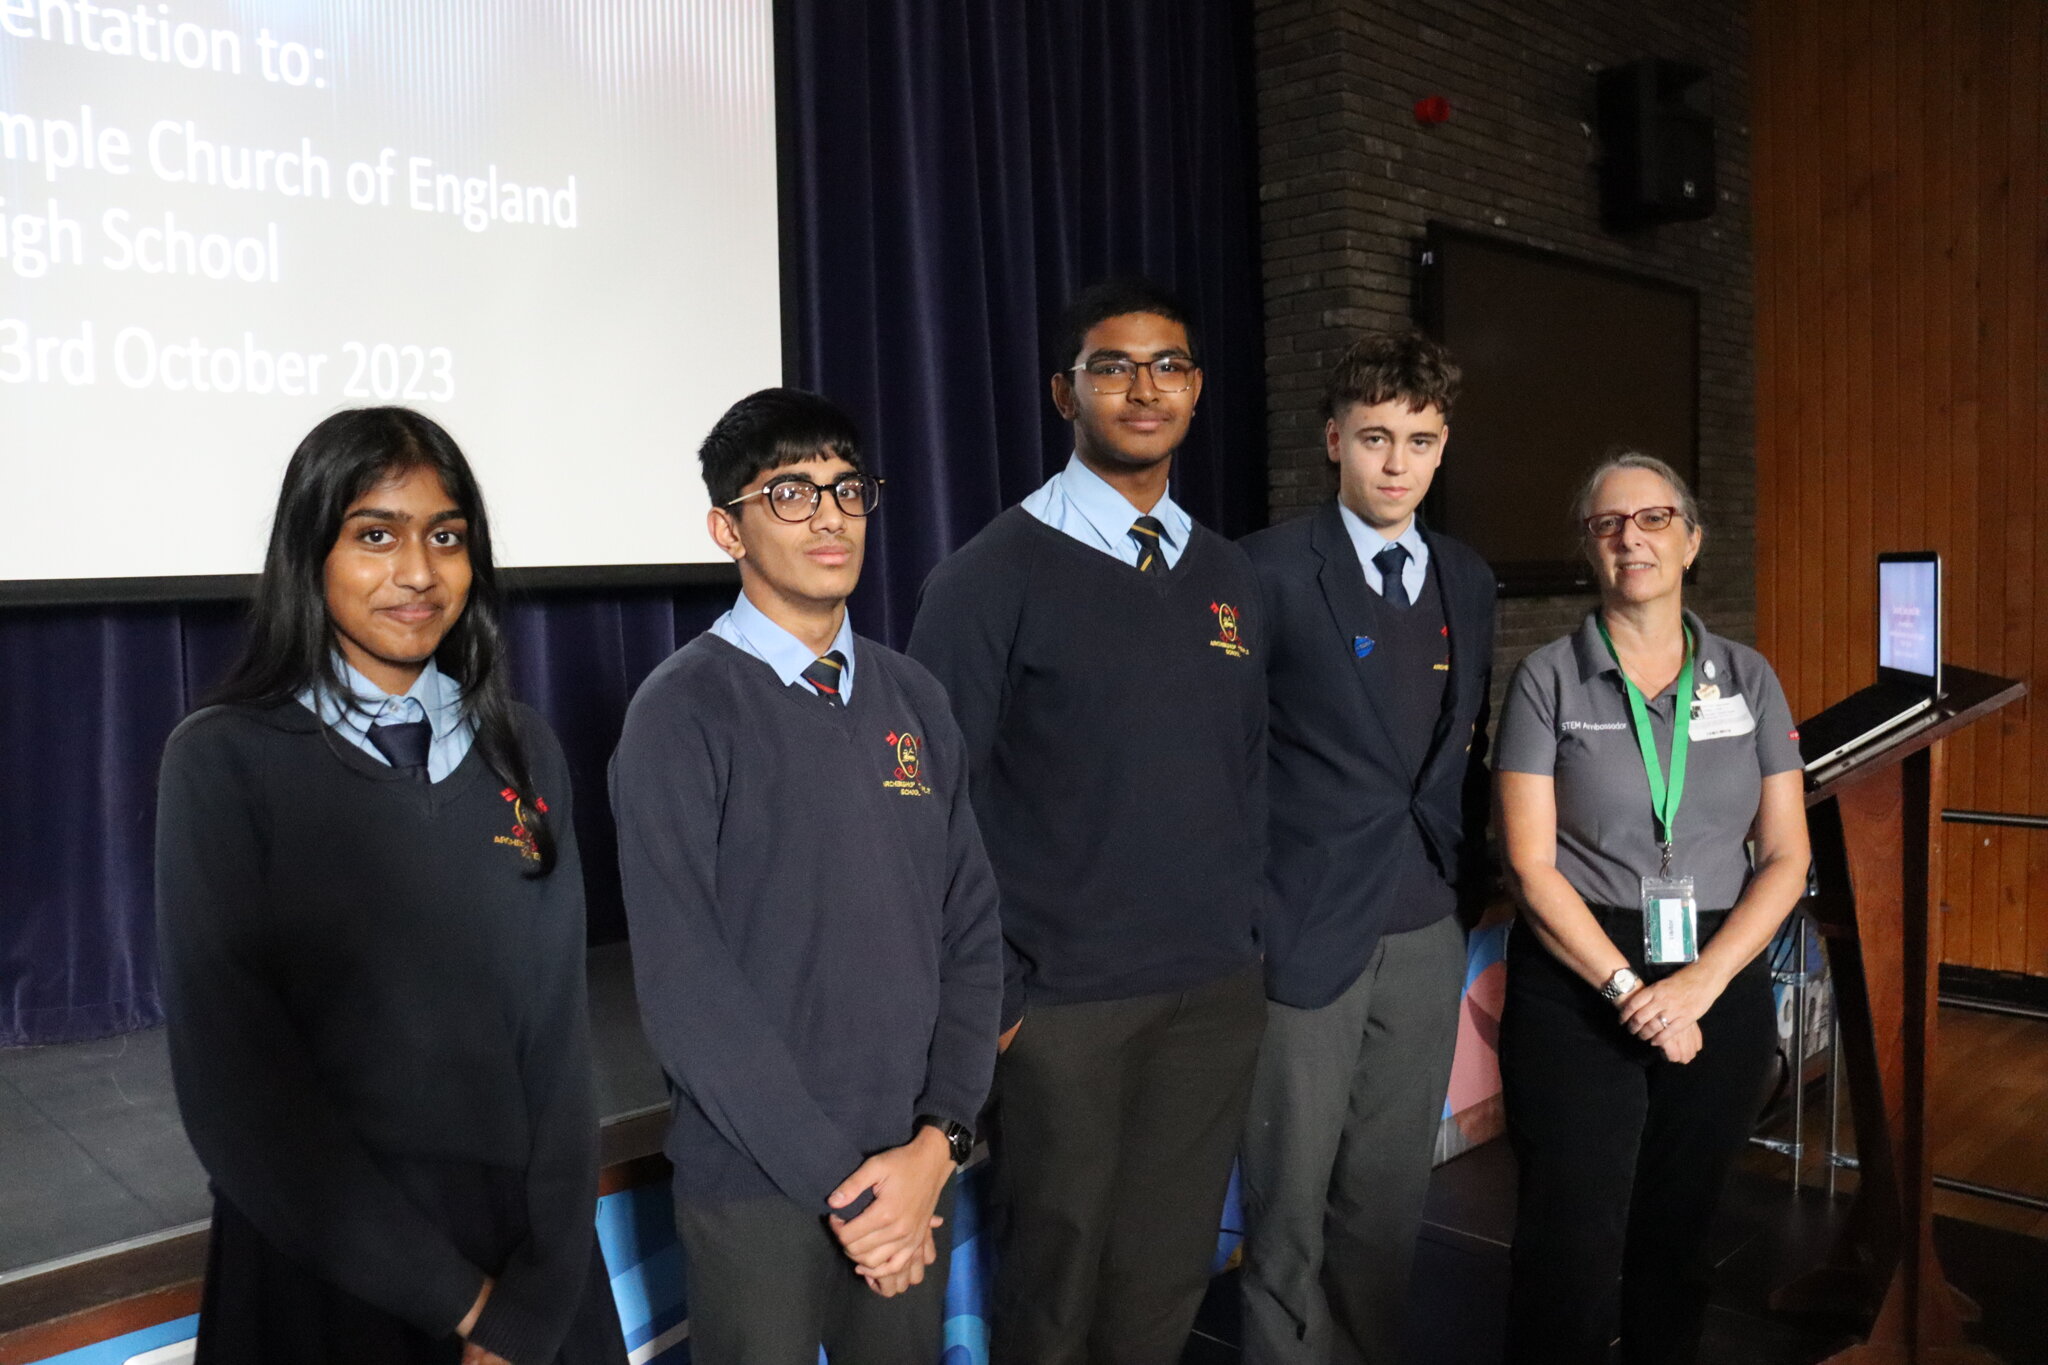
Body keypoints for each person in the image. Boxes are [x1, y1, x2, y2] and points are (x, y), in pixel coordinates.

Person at [156, 407, 626, 1365]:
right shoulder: (224, 761)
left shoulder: (522, 748)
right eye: (376, 535)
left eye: (445, 536)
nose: (418, 572)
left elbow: (558, 1048)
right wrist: (465, 1308)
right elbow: (239, 1097)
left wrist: (534, 1300)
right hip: (326, 1271)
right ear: (309, 555)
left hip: (533, 1281)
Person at [907, 277, 1269, 1365]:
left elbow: (1240, 771)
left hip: (1209, 992)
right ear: (1063, 392)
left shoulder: (1227, 576)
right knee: (1054, 1285)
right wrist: (999, 998)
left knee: (1163, 1278)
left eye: (1166, 365)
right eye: (1112, 366)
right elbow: (929, 805)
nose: (1141, 388)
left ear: (1196, 389)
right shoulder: (986, 577)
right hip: (1059, 1008)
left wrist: (1244, 940)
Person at [610, 388, 1001, 1364]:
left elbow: (971, 928)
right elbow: (686, 993)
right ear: (725, 529)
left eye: (845, 489)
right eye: (788, 492)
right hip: (759, 1183)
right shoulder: (679, 713)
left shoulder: (913, 695)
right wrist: (853, 1187)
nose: (828, 514)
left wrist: (937, 1144)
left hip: (910, 1169)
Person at [1493, 452, 1811, 1365]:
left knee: (1679, 1235)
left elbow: (1787, 857)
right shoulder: (1547, 679)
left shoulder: (1749, 678)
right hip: (1579, 975)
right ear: (1590, 548)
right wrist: (1634, 987)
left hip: (1720, 971)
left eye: (1654, 518)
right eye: (1608, 523)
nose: (1631, 536)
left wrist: (1702, 983)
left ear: (1692, 539)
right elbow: (1529, 863)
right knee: (1570, 1243)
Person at [1236, 331, 1496, 1364]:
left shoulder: (1468, 580)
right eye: (1376, 438)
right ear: (1332, 440)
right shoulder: (1261, 570)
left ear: (1442, 449)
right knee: (1287, 1210)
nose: (1397, 463)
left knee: (1387, 1204)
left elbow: (1456, 749)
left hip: (1424, 923)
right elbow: (1223, 757)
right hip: (1299, 927)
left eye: (1420, 441)